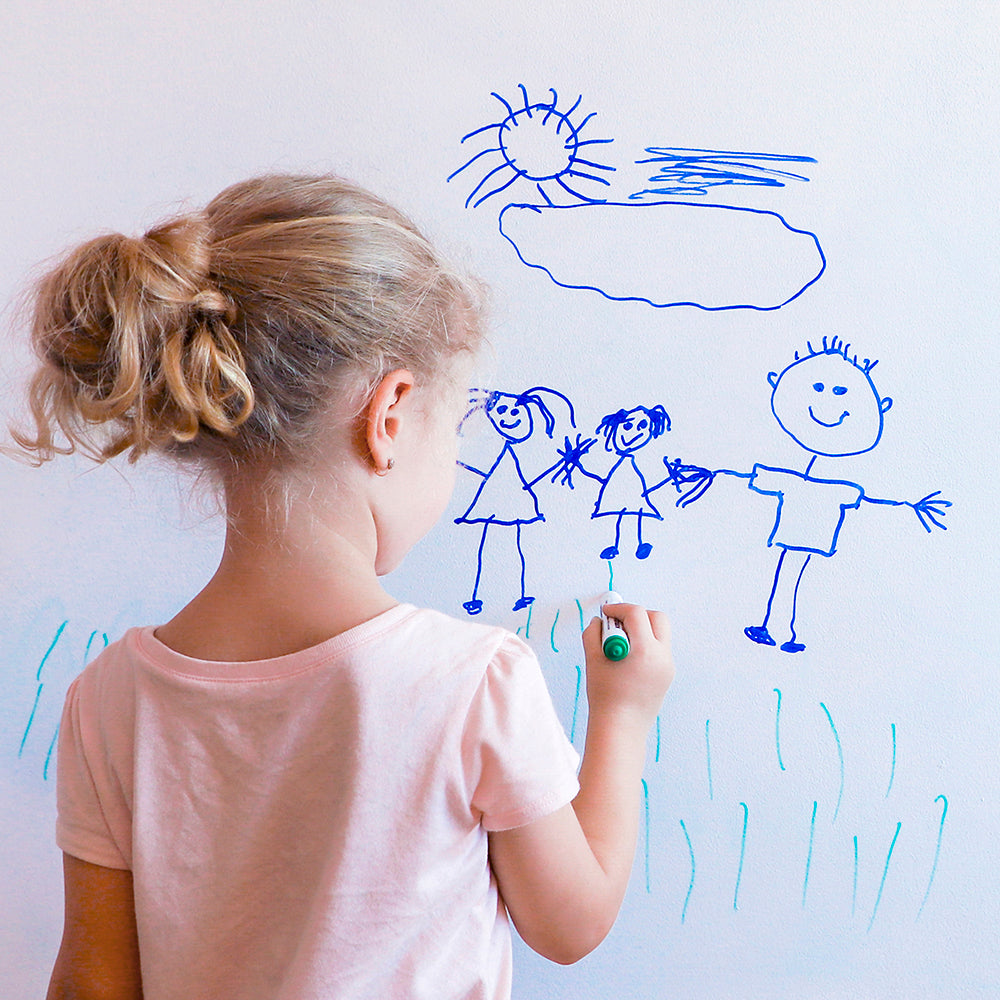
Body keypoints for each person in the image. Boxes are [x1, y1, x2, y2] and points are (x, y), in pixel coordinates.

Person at [15, 174, 674, 1000]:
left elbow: (91, 986)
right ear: (389, 415)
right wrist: (624, 711)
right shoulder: (473, 681)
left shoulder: (107, 698)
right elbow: (570, 924)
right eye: (459, 421)